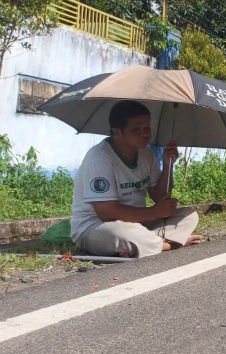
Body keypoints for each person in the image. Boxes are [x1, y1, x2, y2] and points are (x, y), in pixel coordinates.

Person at [70, 100, 202, 258]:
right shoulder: (99, 159)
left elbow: (159, 196)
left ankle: (143, 243)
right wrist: (154, 212)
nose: (145, 134)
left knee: (189, 215)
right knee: (122, 234)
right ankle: (168, 243)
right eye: (136, 130)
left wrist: (168, 165)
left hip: (138, 222)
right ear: (117, 132)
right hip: (96, 225)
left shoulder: (146, 154)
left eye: (147, 127)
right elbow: (106, 212)